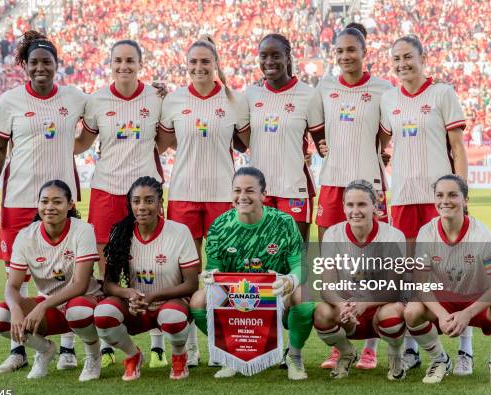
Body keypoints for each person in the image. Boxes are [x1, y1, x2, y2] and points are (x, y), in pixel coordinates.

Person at [0, 30, 86, 374]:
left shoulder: (74, 98)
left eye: (47, 62)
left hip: (62, 199)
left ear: (57, 65)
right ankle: (20, 348)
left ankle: (69, 349)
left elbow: (105, 113)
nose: (40, 68)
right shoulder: (10, 101)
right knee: (17, 276)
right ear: (25, 67)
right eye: (34, 63)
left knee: (68, 269)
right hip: (19, 199)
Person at [379, 35, 472, 372]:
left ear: (422, 57)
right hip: (403, 198)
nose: (402, 64)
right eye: (396, 59)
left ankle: (465, 347)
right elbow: (384, 142)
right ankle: (412, 347)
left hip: (441, 199)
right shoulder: (388, 100)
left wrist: (461, 192)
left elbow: (457, 147)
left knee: (454, 269)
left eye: (408, 57)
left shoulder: (442, 93)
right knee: (409, 275)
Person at [157, 35, 249, 367]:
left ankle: (222, 347)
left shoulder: (233, 100)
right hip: (183, 194)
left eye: (205, 62)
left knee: (224, 271)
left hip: (223, 196)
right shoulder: (173, 101)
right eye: (193, 62)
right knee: (186, 275)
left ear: (215, 64)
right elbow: (162, 142)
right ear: (187, 65)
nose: (199, 67)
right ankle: (189, 347)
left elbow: (248, 142)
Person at [74, 39, 166, 370]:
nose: (123, 66)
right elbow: (81, 143)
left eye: (130, 60)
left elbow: (165, 141)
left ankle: (157, 342)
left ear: (140, 64)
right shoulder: (96, 100)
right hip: (106, 190)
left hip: (144, 190)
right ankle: (109, 339)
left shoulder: (156, 98)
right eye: (117, 60)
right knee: (106, 267)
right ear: (109, 63)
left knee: (150, 264)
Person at [313, 22, 392, 371]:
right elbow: (315, 133)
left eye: (351, 50)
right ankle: (340, 345)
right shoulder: (324, 87)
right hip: (332, 186)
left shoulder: (382, 89)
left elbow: (387, 137)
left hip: (369, 185)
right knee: (335, 265)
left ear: (364, 53)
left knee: (372, 265)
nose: (346, 56)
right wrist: (321, 146)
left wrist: (380, 154)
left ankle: (372, 344)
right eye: (340, 51)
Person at [189, 167, 315, 380]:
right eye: (237, 190)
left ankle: (294, 356)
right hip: (237, 298)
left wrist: (290, 280)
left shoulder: (283, 223)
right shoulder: (220, 226)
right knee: (198, 300)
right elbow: (214, 268)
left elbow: (301, 265)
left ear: (263, 195)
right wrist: (211, 276)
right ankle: (231, 355)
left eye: (250, 190)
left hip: (276, 296)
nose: (242, 197)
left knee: (304, 295)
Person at [405, 175, 491, 385]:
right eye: (439, 195)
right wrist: (441, 314)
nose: (445, 200)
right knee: (411, 311)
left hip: (477, 299)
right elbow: (420, 283)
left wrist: (467, 313)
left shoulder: (481, 233)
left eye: (452, 195)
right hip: (444, 299)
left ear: (465, 200)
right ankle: (440, 360)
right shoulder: (427, 232)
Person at [0, 180, 103, 381]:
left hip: (86, 302)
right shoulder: (26, 236)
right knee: (1, 316)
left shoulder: (83, 230)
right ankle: (45, 350)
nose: (50, 207)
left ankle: (94, 357)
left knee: (78, 310)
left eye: (57, 202)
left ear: (70, 205)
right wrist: (16, 309)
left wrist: (42, 307)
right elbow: (13, 285)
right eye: (44, 202)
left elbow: (81, 284)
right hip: (51, 307)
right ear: (38, 204)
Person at [93, 177, 200, 381]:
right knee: (103, 313)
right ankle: (133, 355)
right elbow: (108, 284)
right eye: (136, 201)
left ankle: (179, 355)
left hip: (170, 304)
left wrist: (154, 296)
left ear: (160, 203)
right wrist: (128, 294)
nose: (142, 207)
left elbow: (192, 284)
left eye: (149, 201)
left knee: (173, 317)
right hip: (136, 306)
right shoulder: (121, 233)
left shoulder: (179, 232)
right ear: (130, 204)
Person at [313, 179, 407, 381]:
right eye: (350, 205)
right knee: (321, 313)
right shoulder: (333, 234)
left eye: (362, 204)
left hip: (379, 308)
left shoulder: (393, 236)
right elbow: (326, 286)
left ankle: (395, 354)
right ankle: (346, 353)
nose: (355, 210)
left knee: (394, 314)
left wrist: (364, 304)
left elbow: (394, 289)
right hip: (348, 311)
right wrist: (341, 306)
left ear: (375, 206)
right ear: (344, 207)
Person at [239, 33, 325, 244]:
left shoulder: (308, 95)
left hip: (294, 187)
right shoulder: (250, 95)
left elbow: (324, 143)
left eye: (276, 55)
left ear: (288, 57)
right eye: (264, 56)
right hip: (258, 191)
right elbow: (240, 144)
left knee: (294, 260)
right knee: (259, 260)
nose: (269, 62)